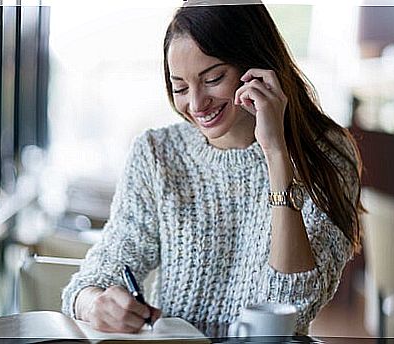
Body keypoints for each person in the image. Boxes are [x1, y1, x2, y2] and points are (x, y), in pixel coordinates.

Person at [61, 1, 364, 337]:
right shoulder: (157, 154)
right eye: (180, 87)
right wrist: (94, 304)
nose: (196, 103)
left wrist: (276, 153)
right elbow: (92, 279)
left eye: (213, 78)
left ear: (256, 64)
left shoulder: (327, 156)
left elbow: (292, 303)